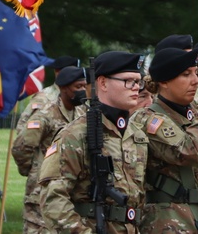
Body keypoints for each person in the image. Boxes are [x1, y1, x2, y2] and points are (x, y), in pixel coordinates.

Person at [39, 51, 148, 233]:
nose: (136, 87)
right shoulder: (75, 135)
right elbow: (53, 200)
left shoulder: (137, 135)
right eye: (128, 81)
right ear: (103, 83)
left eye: (138, 81)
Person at [140, 47, 198, 233]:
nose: (196, 81)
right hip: (170, 223)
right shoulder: (149, 119)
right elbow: (189, 151)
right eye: (186, 74)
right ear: (164, 81)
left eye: (196, 73)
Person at [13, 65, 87, 233]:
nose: (82, 91)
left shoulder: (82, 113)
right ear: (63, 88)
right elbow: (21, 147)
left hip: (70, 189)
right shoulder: (45, 114)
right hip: (41, 190)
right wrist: (32, 170)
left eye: (84, 86)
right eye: (78, 87)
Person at [16, 55, 81, 135]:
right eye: (73, 73)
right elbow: (23, 126)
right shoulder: (44, 97)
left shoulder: (78, 97)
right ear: (57, 73)